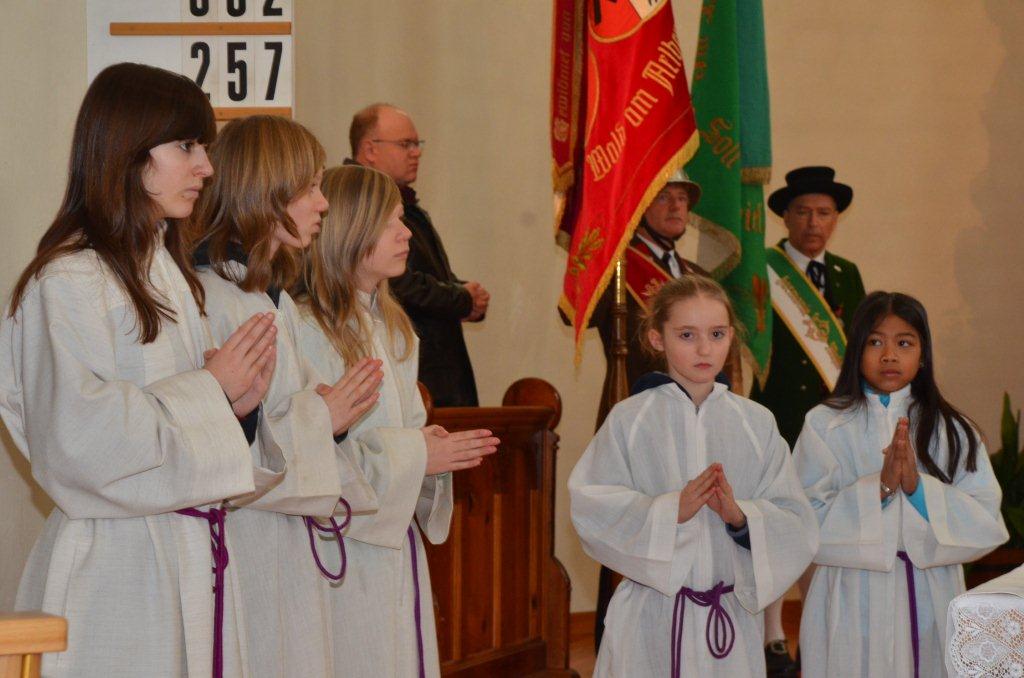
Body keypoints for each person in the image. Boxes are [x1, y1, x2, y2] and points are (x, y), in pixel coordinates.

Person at [0, 63, 279, 677]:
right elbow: (77, 441)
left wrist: (234, 408)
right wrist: (209, 390)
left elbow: (182, 423)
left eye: (204, 148)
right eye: (187, 146)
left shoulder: (167, 271)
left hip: (185, 553)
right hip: (115, 568)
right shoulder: (69, 280)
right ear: (129, 150)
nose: (206, 167)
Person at [189, 115, 385, 676]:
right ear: (264, 191)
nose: (323, 204)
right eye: (309, 188)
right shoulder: (213, 298)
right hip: (245, 538)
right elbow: (221, 445)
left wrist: (327, 415)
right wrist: (322, 415)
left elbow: (287, 409)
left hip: (282, 536)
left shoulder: (266, 297)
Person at [293, 163, 500, 677]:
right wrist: (417, 454)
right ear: (350, 230)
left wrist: (428, 449)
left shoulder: (394, 326)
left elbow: (398, 435)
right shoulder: (307, 328)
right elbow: (312, 455)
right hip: (337, 545)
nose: (406, 233)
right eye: (390, 222)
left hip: (391, 534)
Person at [569, 275, 818, 677]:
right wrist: (672, 510)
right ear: (657, 338)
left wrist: (741, 518)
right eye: (687, 335)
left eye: (717, 334)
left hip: (729, 617)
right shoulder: (630, 420)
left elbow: (796, 521)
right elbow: (591, 506)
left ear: (731, 336)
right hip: (652, 618)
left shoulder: (756, 423)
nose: (705, 349)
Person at [793, 291, 1007, 677]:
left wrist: (917, 489)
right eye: (875, 342)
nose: (889, 355)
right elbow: (802, 518)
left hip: (929, 591)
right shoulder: (825, 424)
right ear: (856, 351)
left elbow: (986, 520)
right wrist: (879, 489)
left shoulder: (952, 429)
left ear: (923, 355)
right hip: (849, 594)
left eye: (904, 343)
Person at [581, 170, 742, 650]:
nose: (676, 207)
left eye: (682, 199)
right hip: (643, 407)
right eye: (663, 197)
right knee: (636, 519)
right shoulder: (617, 265)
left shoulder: (695, 273)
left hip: (704, 410)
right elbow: (578, 311)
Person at [752, 165, 866, 673]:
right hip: (779, 418)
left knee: (822, 528)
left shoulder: (847, 274)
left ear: (836, 218)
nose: (813, 222)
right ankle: (773, 636)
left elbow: (858, 349)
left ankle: (817, 634)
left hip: (833, 425)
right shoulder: (763, 269)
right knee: (778, 525)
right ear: (786, 217)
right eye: (802, 212)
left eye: (824, 212)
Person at [349, 103, 487, 406]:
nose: (416, 152)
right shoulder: (357, 203)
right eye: (405, 144)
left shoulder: (406, 203)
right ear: (370, 150)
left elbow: (428, 274)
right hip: (408, 368)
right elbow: (399, 283)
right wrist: (461, 298)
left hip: (432, 367)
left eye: (417, 143)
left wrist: (463, 292)